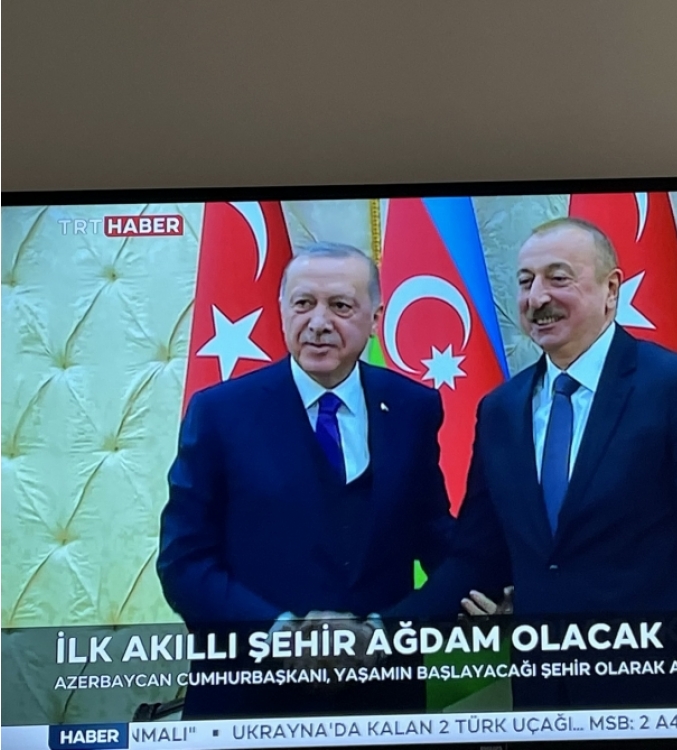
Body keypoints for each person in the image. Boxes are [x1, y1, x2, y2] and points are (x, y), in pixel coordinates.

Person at [388, 217, 677, 708]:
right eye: (525, 281)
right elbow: (477, 558)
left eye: (558, 278)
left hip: (665, 700)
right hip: (543, 702)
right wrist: (378, 634)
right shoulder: (501, 410)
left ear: (611, 289)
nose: (537, 297)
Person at [157, 242, 454, 718]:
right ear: (281, 311)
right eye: (303, 304)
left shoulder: (412, 408)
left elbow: (437, 541)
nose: (318, 322)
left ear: (375, 318)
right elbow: (184, 561)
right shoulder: (219, 413)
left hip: (381, 699)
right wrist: (279, 634)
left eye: (340, 306)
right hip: (248, 701)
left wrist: (385, 632)